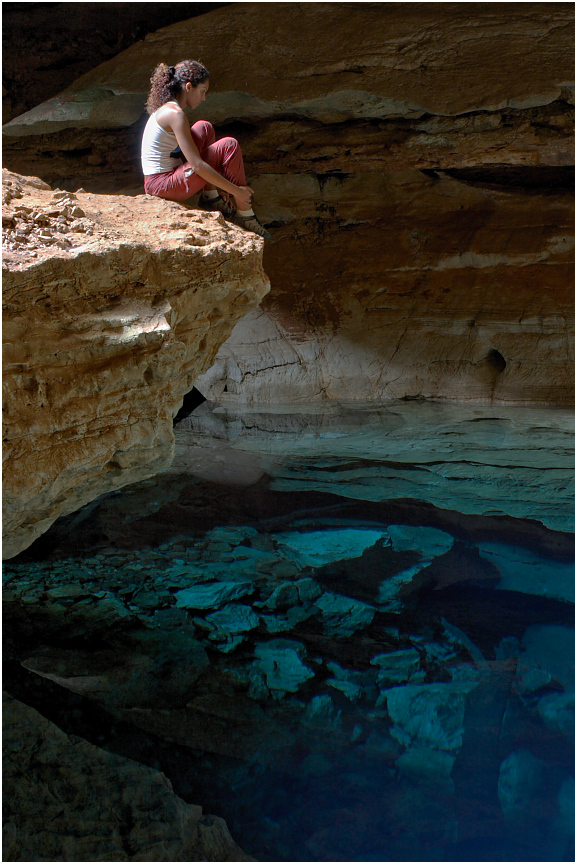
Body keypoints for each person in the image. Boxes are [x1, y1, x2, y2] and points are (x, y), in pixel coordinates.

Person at [141, 60, 270, 239]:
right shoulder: (175, 115)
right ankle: (245, 213)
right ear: (188, 87)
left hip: (163, 179)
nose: (204, 98)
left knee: (204, 127)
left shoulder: (169, 109)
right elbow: (198, 166)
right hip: (161, 185)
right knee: (229, 145)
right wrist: (236, 190)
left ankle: (211, 197)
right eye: (202, 92)